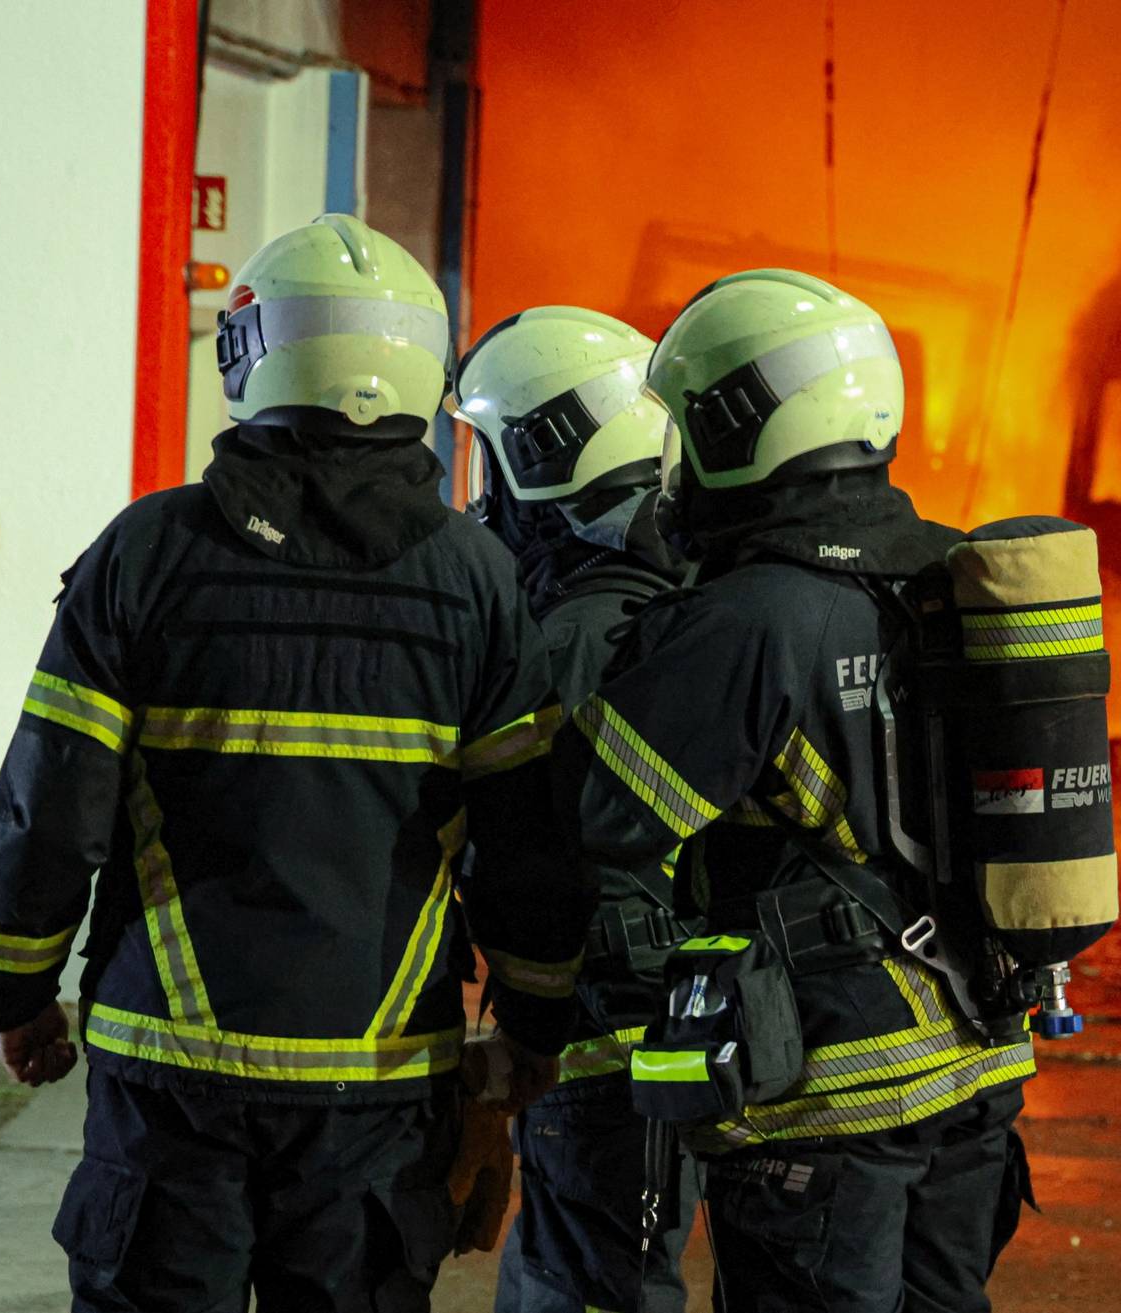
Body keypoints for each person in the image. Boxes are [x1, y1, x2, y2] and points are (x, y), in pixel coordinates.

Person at [0, 214, 593, 1312]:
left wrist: (13, 989)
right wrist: (532, 1020)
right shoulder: (480, 578)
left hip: (173, 1076)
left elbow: (50, 809)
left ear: (252, 357)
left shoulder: (149, 554)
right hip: (379, 1091)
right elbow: (530, 832)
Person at [553, 270, 1035, 1313]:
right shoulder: (951, 572)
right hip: (979, 1064)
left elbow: (602, 814)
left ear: (743, 427)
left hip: (831, 1094)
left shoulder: (750, 615)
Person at [446, 306, 703, 1313]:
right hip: (667, 1014)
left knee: (582, 1285)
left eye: (489, 462)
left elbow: (524, 849)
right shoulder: (677, 586)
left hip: (598, 1023)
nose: (476, 497)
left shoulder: (574, 633)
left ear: (543, 457)